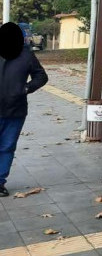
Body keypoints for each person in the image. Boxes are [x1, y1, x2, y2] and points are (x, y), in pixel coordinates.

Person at [0, 23, 48, 197]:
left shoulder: (26, 55)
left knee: (7, 146)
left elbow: (41, 76)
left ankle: (0, 181)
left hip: (15, 110)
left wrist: (26, 88)